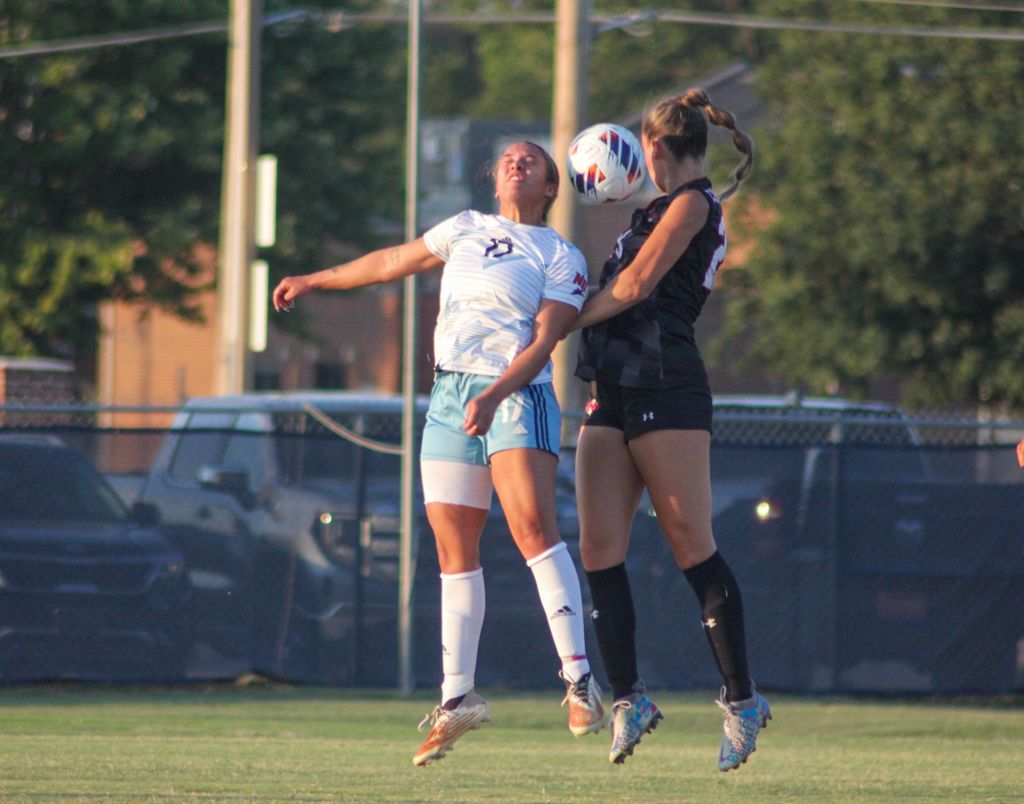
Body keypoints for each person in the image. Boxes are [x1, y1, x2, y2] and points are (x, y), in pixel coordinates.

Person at [271, 141, 604, 767]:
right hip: (451, 392)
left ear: (551, 187)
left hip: (517, 390)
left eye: (530, 160)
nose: (515, 164)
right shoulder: (465, 227)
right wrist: (314, 279)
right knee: (454, 553)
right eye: (508, 158)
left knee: (533, 528)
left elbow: (547, 339)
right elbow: (393, 260)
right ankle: (457, 702)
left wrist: (498, 392)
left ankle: (580, 680)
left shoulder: (561, 253)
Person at [569, 88, 771, 771]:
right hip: (613, 385)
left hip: (666, 382)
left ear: (655, 149)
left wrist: (552, 329)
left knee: (691, 543)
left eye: (643, 150)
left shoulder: (691, 204)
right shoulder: (649, 209)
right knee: (598, 546)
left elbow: (634, 288)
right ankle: (630, 697)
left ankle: (742, 701)